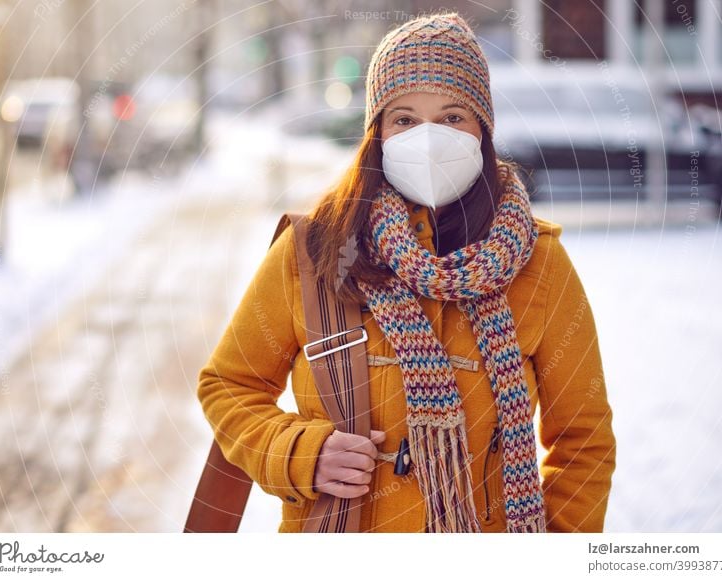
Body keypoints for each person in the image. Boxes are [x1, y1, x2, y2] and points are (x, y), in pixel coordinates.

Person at [196, 11, 616, 533]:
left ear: (482, 130)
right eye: (405, 119)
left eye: (452, 116)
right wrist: (301, 453)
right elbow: (230, 384)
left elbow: (583, 438)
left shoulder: (540, 264)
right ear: (378, 134)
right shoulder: (317, 249)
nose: (429, 138)